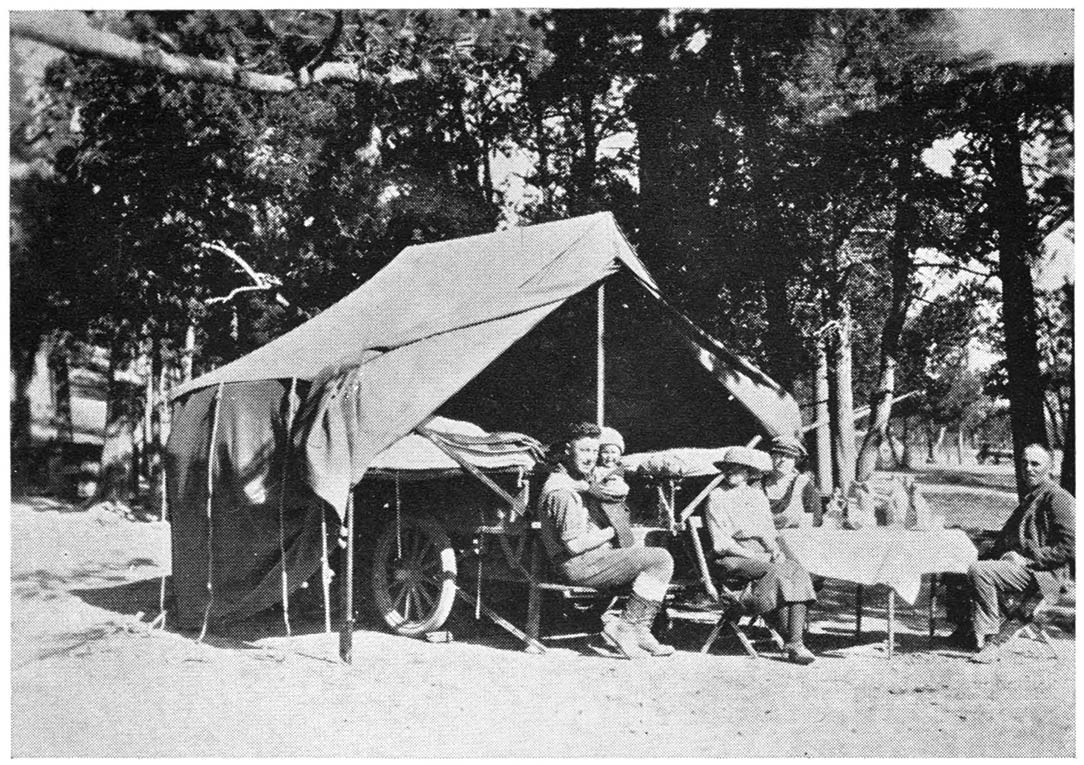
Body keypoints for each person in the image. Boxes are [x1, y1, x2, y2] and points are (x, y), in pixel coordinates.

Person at [538, 422, 675, 659]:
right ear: (568, 451)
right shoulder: (562, 492)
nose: (590, 458)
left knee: (655, 560)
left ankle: (640, 629)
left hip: (588, 559)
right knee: (660, 559)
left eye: (594, 451)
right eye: (584, 451)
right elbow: (574, 545)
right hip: (577, 564)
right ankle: (625, 627)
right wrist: (611, 532)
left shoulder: (574, 482)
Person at [952, 443, 1075, 663]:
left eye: (1036, 464)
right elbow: (1005, 540)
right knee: (958, 565)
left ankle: (991, 639)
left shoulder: (1058, 498)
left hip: (1045, 574)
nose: (1029, 468)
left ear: (1050, 468)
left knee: (981, 571)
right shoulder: (1031, 497)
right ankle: (966, 630)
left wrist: (1029, 560)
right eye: (1025, 463)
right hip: (1017, 567)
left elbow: (1071, 546)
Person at [703, 446, 818, 665]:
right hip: (732, 557)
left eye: (736, 469)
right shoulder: (716, 497)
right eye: (727, 468)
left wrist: (773, 548)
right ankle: (793, 641)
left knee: (794, 568)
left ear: (748, 472)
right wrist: (754, 556)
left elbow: (766, 530)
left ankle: (795, 642)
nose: (730, 473)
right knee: (776, 572)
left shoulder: (756, 495)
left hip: (758, 553)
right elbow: (721, 544)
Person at [762, 435, 820, 529]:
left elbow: (815, 521)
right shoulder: (757, 485)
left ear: (795, 461)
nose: (783, 460)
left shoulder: (804, 484)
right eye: (779, 454)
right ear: (771, 456)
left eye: (789, 456)